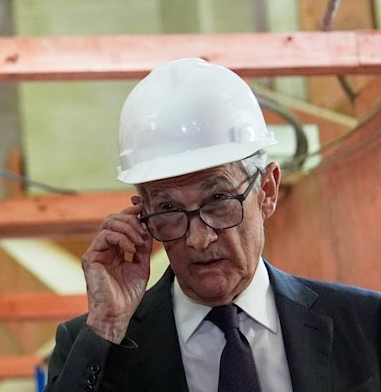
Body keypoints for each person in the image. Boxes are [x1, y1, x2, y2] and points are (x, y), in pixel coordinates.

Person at [46, 58, 381, 391]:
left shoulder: (365, 324)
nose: (198, 239)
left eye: (218, 200)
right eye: (168, 209)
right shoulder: (97, 347)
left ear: (267, 191)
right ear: (142, 217)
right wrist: (107, 325)